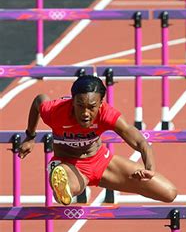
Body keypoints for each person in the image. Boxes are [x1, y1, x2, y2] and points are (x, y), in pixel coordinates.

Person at [18, 75, 177, 206]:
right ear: (72, 101)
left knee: (169, 193)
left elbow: (139, 141)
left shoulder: (106, 114)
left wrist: (149, 168)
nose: (85, 113)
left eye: (91, 107)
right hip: (69, 164)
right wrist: (30, 136)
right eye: (80, 105)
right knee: (65, 194)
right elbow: (39, 100)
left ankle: (66, 181)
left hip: (102, 162)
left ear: (101, 104)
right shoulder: (55, 111)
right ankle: (58, 174)